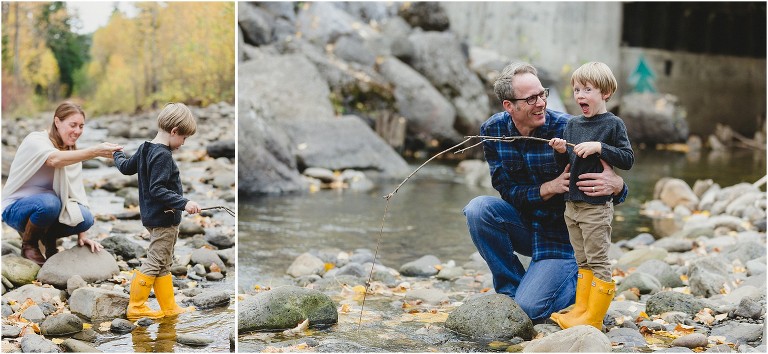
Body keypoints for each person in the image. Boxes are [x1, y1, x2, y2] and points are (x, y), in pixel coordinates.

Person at [462, 62, 628, 324]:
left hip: (562, 240)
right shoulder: (492, 132)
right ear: (509, 106)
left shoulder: (569, 128)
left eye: (542, 94)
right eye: (531, 99)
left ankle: (567, 284)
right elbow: (505, 189)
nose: (541, 103)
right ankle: (511, 292)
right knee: (478, 209)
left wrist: (618, 186)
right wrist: (547, 188)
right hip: (525, 224)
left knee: (530, 312)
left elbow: (608, 181)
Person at [548, 62, 634, 329]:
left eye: (587, 89)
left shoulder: (613, 124)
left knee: (598, 260)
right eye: (576, 90)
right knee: (581, 259)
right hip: (572, 204)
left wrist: (600, 146)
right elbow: (564, 166)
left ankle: (594, 319)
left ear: (605, 93)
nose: (580, 96)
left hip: (596, 206)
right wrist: (560, 150)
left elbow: (627, 159)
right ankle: (581, 311)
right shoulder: (572, 124)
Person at [2, 102, 121, 265]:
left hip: (47, 210)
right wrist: (94, 152)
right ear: (57, 122)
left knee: (86, 218)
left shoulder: (72, 153)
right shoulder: (36, 140)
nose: (77, 131)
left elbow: (76, 193)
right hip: (16, 209)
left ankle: (49, 240)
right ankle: (28, 244)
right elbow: (53, 159)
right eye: (73, 125)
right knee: (50, 203)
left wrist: (82, 235)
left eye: (81, 126)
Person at [113, 102, 201, 320]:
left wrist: (117, 154)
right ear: (174, 131)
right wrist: (184, 202)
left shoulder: (145, 148)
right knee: (155, 261)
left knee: (164, 262)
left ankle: (169, 307)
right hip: (165, 218)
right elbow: (157, 189)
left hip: (152, 216)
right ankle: (136, 306)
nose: (183, 143)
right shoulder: (163, 155)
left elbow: (125, 167)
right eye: (184, 138)